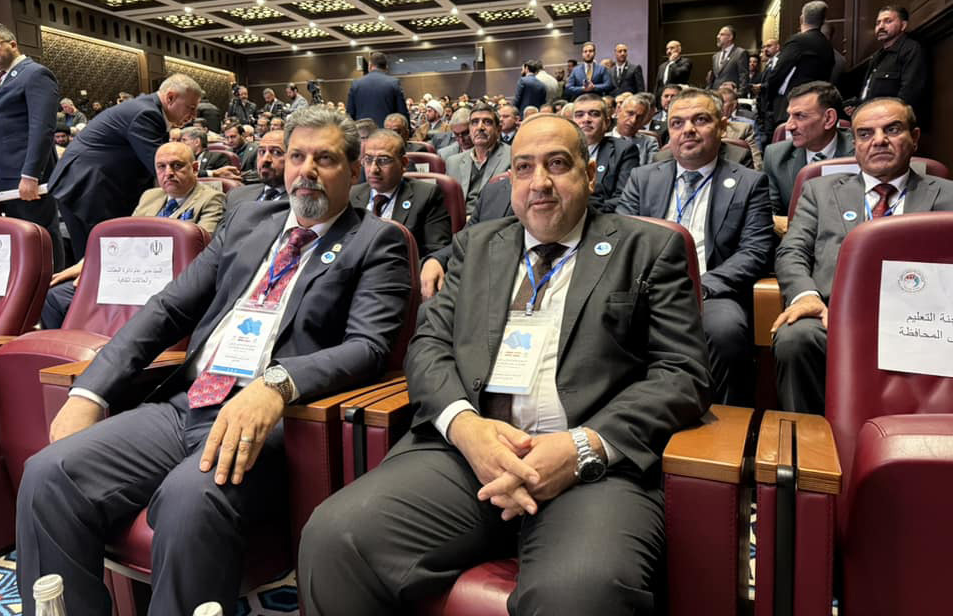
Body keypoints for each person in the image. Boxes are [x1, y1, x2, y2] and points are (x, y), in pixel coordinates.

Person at [299, 113, 713, 615]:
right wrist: (466, 428)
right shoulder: (475, 246)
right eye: (524, 168)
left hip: (592, 469)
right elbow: (428, 346)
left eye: (557, 164)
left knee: (580, 593)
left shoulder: (648, 248)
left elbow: (681, 373)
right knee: (334, 536)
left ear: (589, 174)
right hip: (467, 457)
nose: (539, 182)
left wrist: (581, 446)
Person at [16, 107, 413, 615]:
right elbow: (167, 309)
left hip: (273, 421)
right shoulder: (249, 221)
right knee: (48, 475)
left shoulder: (376, 241)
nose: (306, 170)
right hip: (189, 403)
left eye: (326, 159)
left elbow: (368, 346)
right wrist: (89, 391)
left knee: (189, 500)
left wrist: (277, 384)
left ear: (354, 171)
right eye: (297, 156)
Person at [771, 97, 953, 414]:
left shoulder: (946, 195)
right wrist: (805, 295)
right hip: (834, 315)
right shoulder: (820, 191)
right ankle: (811, 438)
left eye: (892, 129)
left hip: (920, 321)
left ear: (914, 138)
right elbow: (792, 250)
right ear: (854, 144)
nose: (878, 140)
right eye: (866, 134)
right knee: (795, 337)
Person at [617, 88, 773, 404]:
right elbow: (621, 238)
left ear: (722, 127)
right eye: (677, 123)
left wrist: (702, 286)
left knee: (726, 330)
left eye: (700, 120)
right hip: (645, 289)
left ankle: (725, 421)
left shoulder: (749, 182)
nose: (687, 130)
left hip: (711, 291)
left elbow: (755, 251)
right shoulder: (642, 178)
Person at [40, 141, 228, 329]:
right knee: (54, 297)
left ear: (194, 168)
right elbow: (126, 239)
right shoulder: (150, 196)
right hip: (126, 275)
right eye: (161, 167)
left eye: (177, 165)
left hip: (167, 281)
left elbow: (199, 250)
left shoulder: (212, 198)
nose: (168, 172)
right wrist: (89, 266)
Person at [48, 74, 203, 260]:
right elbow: (160, 166)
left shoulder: (148, 109)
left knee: (104, 258)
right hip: (86, 189)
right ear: (170, 98)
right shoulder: (147, 113)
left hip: (94, 187)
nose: (194, 115)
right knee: (98, 260)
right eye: (191, 108)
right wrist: (206, 175)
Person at [0, 22, 66, 270]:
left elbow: (42, 128)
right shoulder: (1, 79)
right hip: (6, 177)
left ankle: (53, 287)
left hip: (26, 177)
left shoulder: (35, 74)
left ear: (13, 44)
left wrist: (30, 175)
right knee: (22, 241)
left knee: (40, 236)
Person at [762, 81, 854, 234]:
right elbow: (767, 210)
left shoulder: (860, 153)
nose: (789, 126)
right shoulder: (775, 155)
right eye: (789, 116)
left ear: (829, 119)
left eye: (800, 116)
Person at [350, 129, 452, 258]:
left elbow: (436, 252)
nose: (373, 169)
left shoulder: (427, 195)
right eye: (368, 159)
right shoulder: (351, 195)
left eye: (383, 160)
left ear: (403, 164)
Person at [765, 1, 835, 129]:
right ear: (822, 21)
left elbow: (778, 73)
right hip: (816, 107)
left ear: (801, 19)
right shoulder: (827, 46)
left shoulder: (798, 41)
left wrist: (768, 99)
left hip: (791, 107)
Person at [859, 5, 927, 123]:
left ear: (903, 25)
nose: (881, 26)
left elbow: (909, 93)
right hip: (870, 118)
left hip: (892, 122)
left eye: (888, 21)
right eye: (878, 23)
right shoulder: (877, 56)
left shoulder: (911, 49)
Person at [573, 93, 637, 213]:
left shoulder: (624, 150)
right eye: (579, 115)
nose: (586, 119)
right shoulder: (562, 151)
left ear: (607, 123)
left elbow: (624, 198)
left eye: (594, 114)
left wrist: (585, 209)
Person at [445, 103, 511, 216]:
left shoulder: (512, 157)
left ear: (498, 129)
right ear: (470, 129)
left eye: (487, 122)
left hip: (493, 222)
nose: (480, 127)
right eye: (474, 122)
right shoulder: (453, 162)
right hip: (457, 221)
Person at [346, 52, 409, 129]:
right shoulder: (394, 83)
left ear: (370, 65)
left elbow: (350, 114)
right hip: (387, 132)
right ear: (386, 67)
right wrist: (408, 131)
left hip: (363, 132)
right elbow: (402, 113)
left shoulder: (356, 84)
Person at [227, 129, 289, 206]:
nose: (265, 159)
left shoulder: (299, 205)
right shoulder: (235, 195)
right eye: (262, 152)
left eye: (276, 152)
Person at [612, 93, 660, 166]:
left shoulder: (649, 143)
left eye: (640, 117)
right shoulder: (602, 139)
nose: (633, 120)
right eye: (630, 113)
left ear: (644, 120)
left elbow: (651, 170)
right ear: (619, 111)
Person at [706, 26, 748, 95]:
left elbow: (743, 76)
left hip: (730, 95)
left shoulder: (740, 53)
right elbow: (712, 78)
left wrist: (740, 94)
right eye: (718, 34)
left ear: (730, 37)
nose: (717, 37)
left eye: (721, 34)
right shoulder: (715, 56)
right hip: (716, 95)